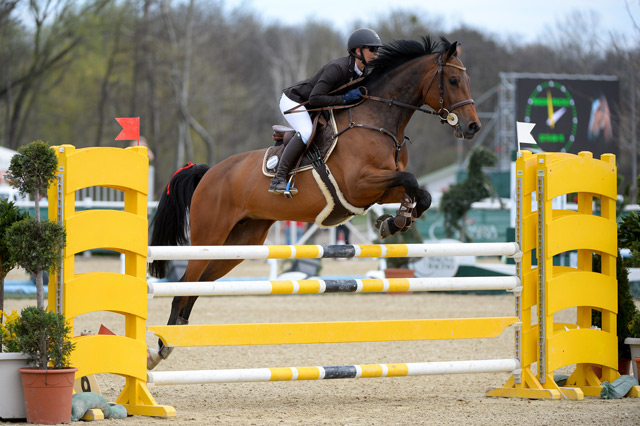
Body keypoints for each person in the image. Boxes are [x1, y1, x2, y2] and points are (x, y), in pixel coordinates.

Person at [268, 28, 383, 196]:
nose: (376, 54)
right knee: (306, 131)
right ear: (358, 51)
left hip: (315, 105)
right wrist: (344, 99)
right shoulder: (338, 68)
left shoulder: (360, 72)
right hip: (294, 101)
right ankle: (278, 179)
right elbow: (315, 98)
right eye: (372, 49)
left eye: (377, 50)